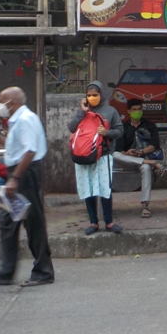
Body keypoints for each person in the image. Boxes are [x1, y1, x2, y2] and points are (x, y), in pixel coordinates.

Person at [0, 87, 54, 287]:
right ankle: (6, 271)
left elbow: (30, 151)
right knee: (7, 220)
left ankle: (43, 271)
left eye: (2, 101)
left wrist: (14, 178)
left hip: (25, 174)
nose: (0, 106)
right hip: (19, 173)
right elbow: (17, 147)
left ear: (12, 103)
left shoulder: (25, 120)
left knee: (33, 222)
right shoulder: (17, 120)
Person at [68, 81, 124, 235]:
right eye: (89, 95)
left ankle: (109, 221)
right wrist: (82, 111)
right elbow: (71, 128)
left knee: (105, 188)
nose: (92, 98)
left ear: (101, 95)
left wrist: (106, 133)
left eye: (95, 95)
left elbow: (120, 131)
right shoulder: (82, 111)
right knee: (88, 188)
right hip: (83, 156)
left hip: (103, 156)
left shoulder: (110, 111)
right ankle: (93, 222)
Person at [112, 98, 164, 218]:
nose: (137, 112)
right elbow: (119, 150)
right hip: (128, 161)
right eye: (134, 110)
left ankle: (145, 206)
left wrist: (140, 152)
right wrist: (129, 153)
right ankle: (151, 162)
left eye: (139, 109)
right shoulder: (122, 127)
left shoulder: (150, 126)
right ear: (129, 111)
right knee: (115, 155)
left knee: (145, 168)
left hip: (142, 159)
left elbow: (154, 145)